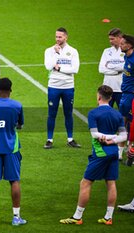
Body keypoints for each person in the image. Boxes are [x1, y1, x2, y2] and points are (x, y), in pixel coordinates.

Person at [60, 85, 127, 225]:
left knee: (85, 183)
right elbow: (124, 136)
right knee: (111, 183)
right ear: (110, 98)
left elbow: (94, 134)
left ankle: (77, 217)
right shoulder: (117, 114)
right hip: (114, 151)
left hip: (100, 152)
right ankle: (108, 217)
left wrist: (106, 139)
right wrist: (113, 140)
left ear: (99, 97)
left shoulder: (94, 113)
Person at [0, 78, 27, 227]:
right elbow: (20, 124)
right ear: (10, 89)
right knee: (14, 181)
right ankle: (16, 217)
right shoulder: (17, 105)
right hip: (12, 148)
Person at [44, 27, 80, 149]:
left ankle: (70, 139)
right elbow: (48, 66)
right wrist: (56, 53)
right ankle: (49, 139)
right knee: (51, 113)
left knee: (68, 113)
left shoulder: (73, 51)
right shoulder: (49, 51)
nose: (57, 39)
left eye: (60, 37)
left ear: (66, 37)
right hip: (54, 86)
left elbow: (75, 70)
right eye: (56, 37)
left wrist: (59, 68)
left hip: (68, 87)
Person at [99, 28, 124, 109]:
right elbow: (101, 69)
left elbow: (124, 67)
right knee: (105, 114)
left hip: (121, 88)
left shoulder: (126, 51)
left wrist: (109, 65)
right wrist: (117, 72)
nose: (110, 41)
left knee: (124, 114)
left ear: (120, 38)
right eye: (109, 39)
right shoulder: (106, 51)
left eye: (112, 39)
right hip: (107, 89)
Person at [118, 34, 134, 160]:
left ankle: (130, 153)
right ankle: (119, 154)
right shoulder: (126, 56)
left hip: (132, 96)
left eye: (122, 43)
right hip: (125, 94)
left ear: (130, 45)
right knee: (123, 123)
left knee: (130, 124)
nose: (120, 44)